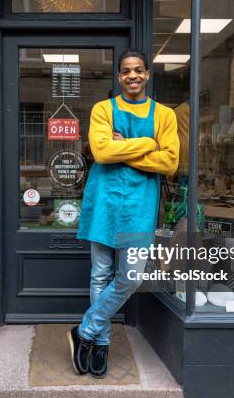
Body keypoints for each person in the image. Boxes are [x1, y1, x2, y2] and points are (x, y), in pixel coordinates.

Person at [69, 49, 179, 378]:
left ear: (147, 75)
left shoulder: (165, 115)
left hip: (140, 205)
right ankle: (100, 342)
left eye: (138, 70)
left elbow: (170, 162)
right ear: (119, 77)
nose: (132, 76)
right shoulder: (103, 109)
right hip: (104, 200)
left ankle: (85, 331)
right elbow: (102, 152)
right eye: (126, 71)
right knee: (100, 274)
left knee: (130, 277)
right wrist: (149, 144)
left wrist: (127, 146)